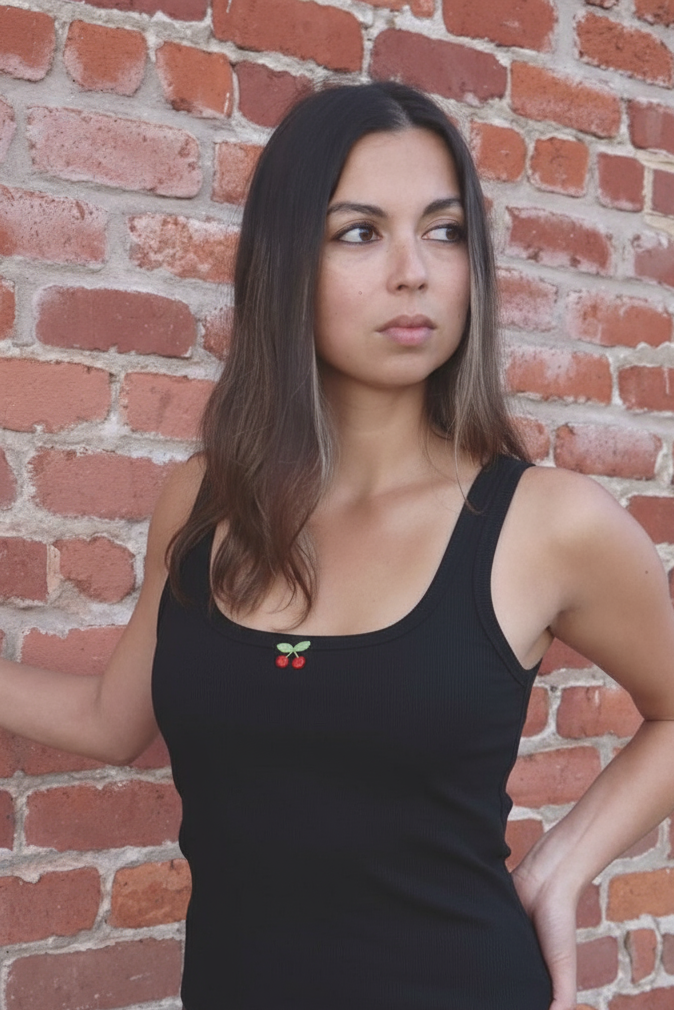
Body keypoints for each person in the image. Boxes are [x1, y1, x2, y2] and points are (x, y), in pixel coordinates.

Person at [2, 81, 674, 1010]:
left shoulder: (547, 522)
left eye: (443, 231)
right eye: (359, 232)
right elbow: (116, 722)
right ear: (286, 262)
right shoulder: (204, 503)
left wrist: (563, 870)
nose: (415, 271)